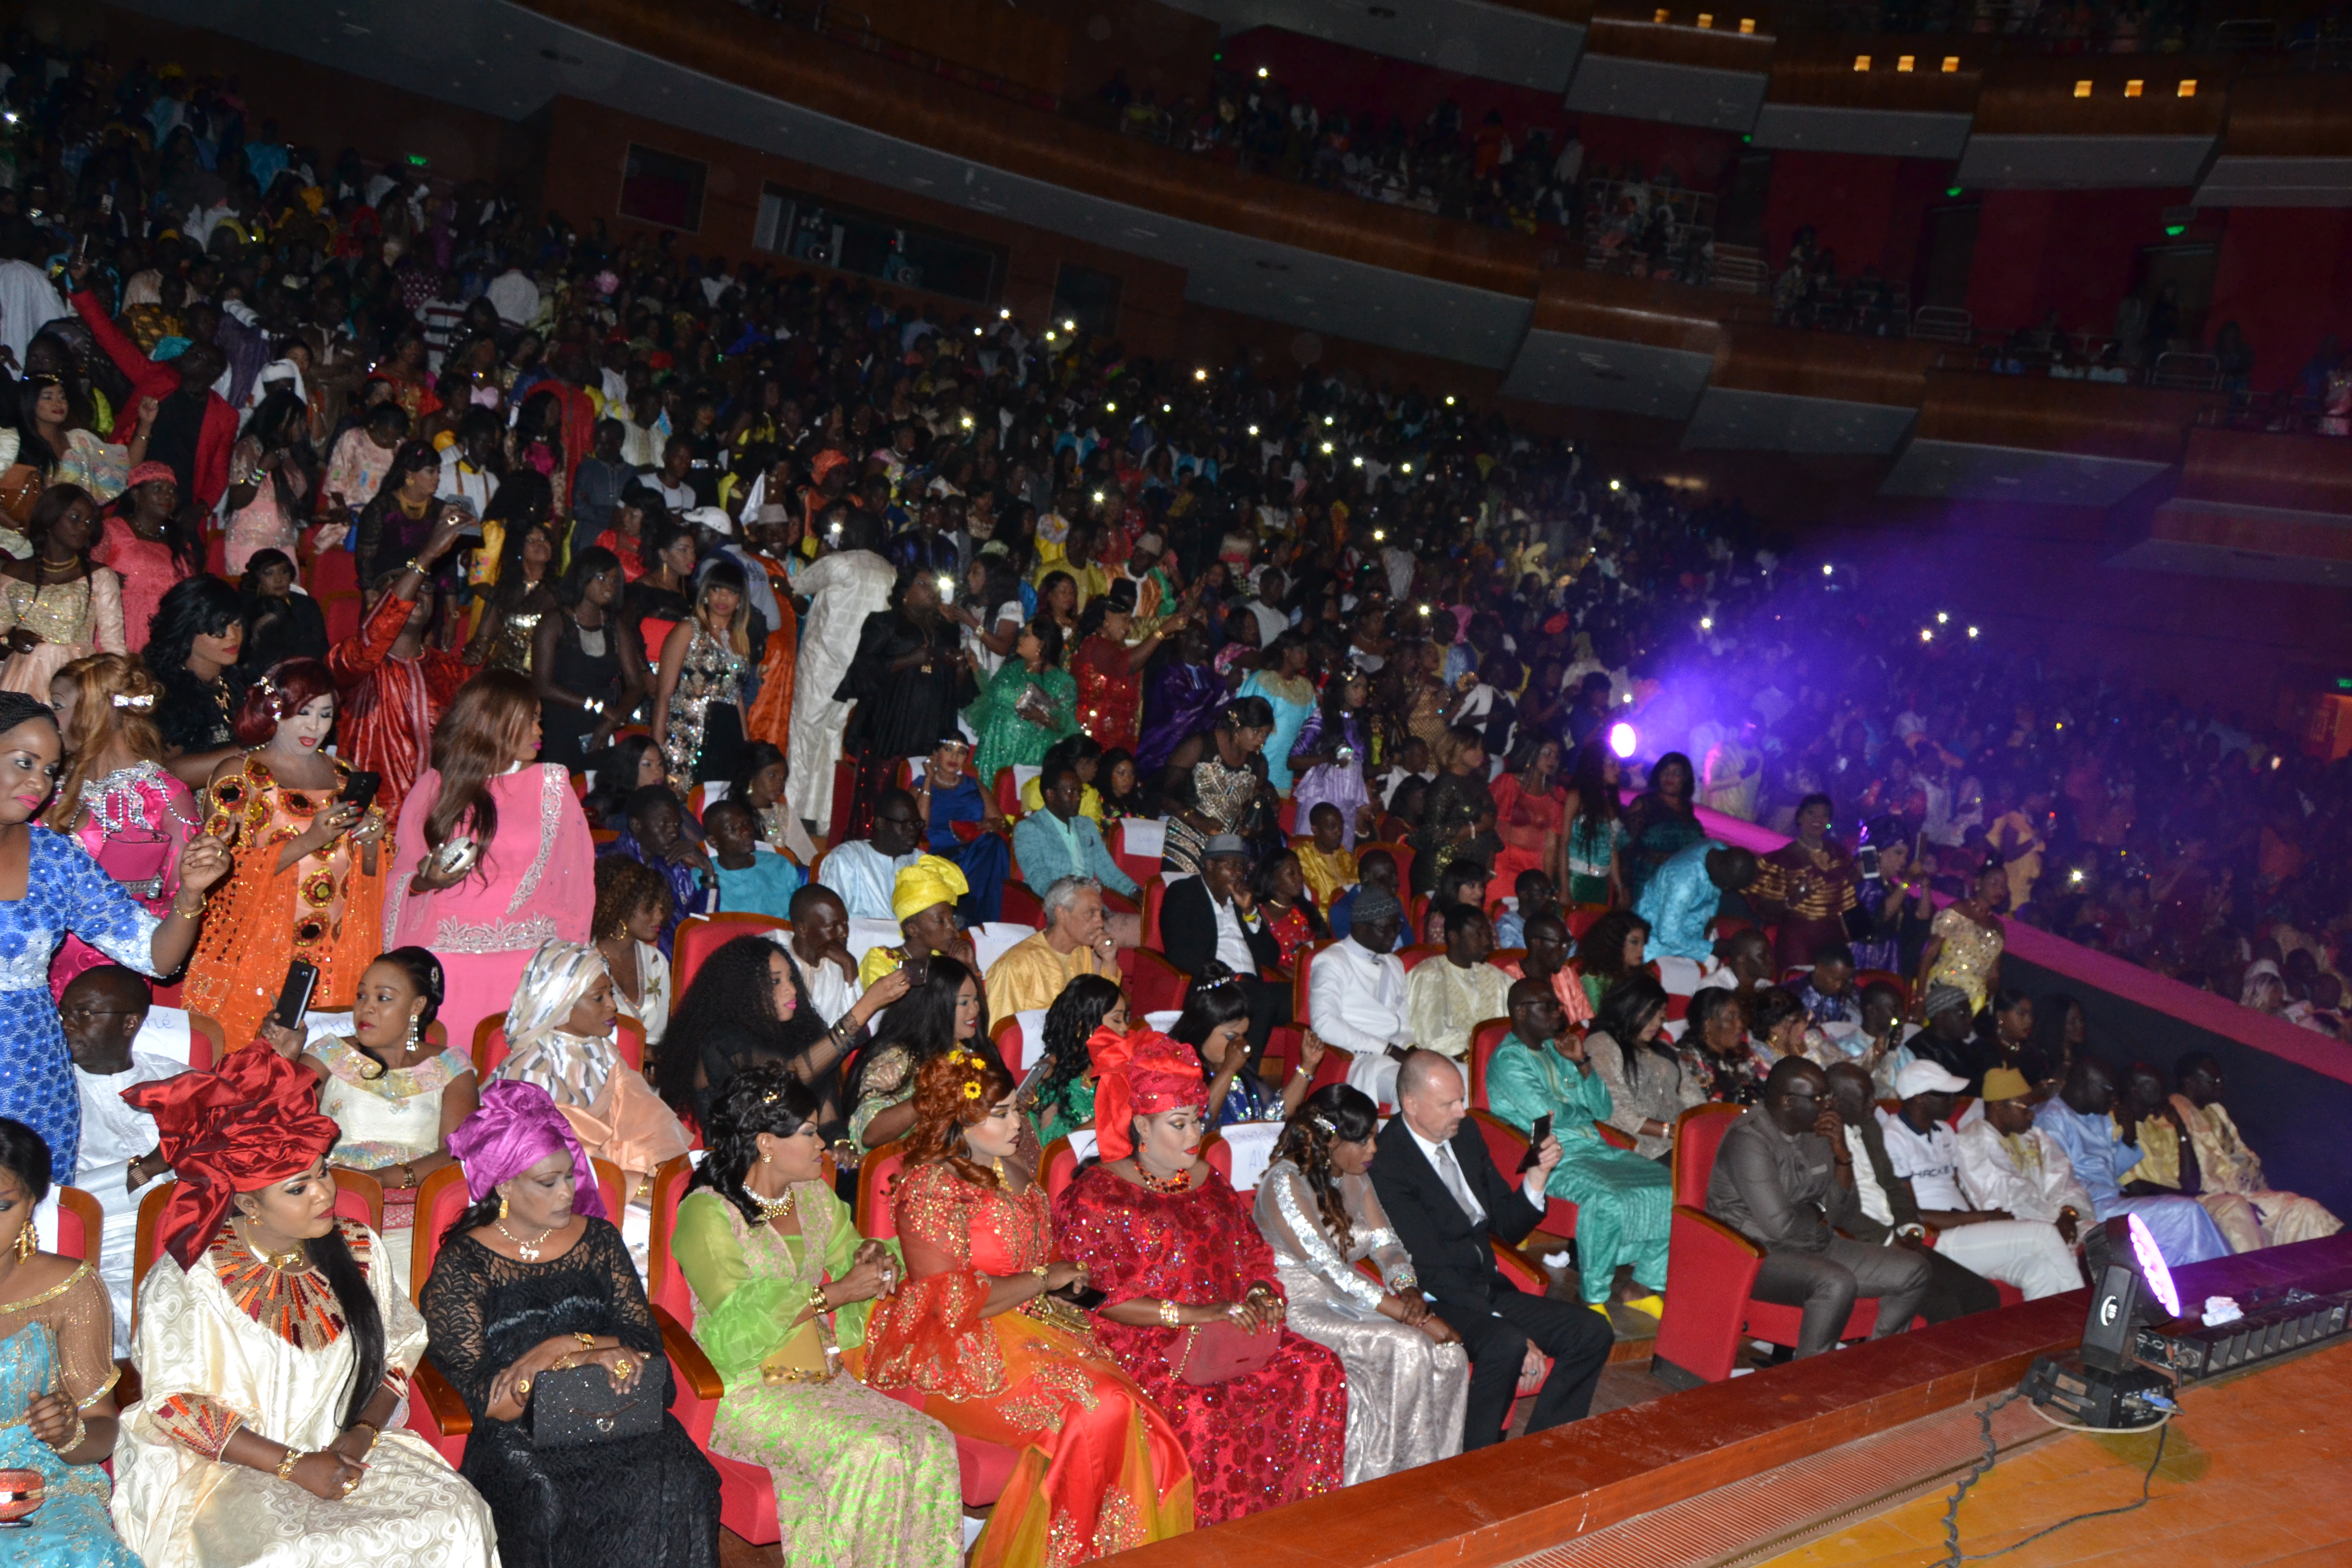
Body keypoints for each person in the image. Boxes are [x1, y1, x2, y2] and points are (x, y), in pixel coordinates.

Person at [117, 1045, 499, 1568]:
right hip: (230, 1466)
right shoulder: (190, 1278)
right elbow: (176, 1405)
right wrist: (296, 1467)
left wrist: (362, 1433)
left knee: (459, 1514)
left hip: (349, 1448)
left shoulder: (359, 1248)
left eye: (323, 1172)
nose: (324, 1195)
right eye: (299, 1188)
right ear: (248, 1204)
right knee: (290, 1553)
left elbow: (398, 1352)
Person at [862, 1049, 1196, 1564]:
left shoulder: (1011, 1167)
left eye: (1018, 1108)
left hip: (1032, 1327)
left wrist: (1069, 1283)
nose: (1019, 1123)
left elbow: (1041, 1262)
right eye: (1002, 1114)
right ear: (959, 1119)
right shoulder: (932, 1186)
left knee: (1139, 1420)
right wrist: (1042, 1279)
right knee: (1098, 1406)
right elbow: (944, 1300)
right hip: (955, 1344)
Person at [668, 1066, 962, 1568]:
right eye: (809, 1133)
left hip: (812, 1369)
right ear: (765, 1142)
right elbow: (737, 1324)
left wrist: (878, 1258)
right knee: (871, 1453)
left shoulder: (813, 1195)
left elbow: (853, 1255)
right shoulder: (708, 1213)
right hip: (743, 1386)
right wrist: (836, 1294)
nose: (824, 1145)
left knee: (930, 1442)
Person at [1051, 1029, 1349, 1524]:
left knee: (1319, 1369)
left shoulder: (1210, 1181)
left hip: (1224, 1329)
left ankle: (1292, 1527)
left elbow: (1253, 1253)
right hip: (1143, 1344)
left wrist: (1260, 1290)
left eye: (1196, 1121)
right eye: (1179, 1124)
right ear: (1141, 1126)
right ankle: (1208, 1544)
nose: (1194, 1137)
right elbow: (1082, 1294)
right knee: (1201, 1413)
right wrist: (1192, 1314)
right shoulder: (1098, 1194)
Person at [423, 1079, 720, 1566]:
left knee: (685, 1476)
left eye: (569, 1176)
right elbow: (480, 1399)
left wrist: (567, 1346)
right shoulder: (465, 1264)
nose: (568, 1192)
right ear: (504, 1185)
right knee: (549, 1496)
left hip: (615, 1410)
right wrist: (554, 1362)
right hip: (521, 1431)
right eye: (549, 1182)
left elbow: (644, 1340)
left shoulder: (599, 1240)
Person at [1370, 1049, 1613, 1449]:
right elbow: (1431, 1268)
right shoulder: (1389, 1161)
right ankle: (1477, 1458)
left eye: (1461, 1099)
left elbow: (1504, 1224)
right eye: (1448, 1103)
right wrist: (1507, 1324)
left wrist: (1536, 1178)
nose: (1461, 1111)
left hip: (1486, 1285)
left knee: (1592, 1332)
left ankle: (1544, 1447)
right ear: (1410, 1105)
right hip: (1433, 1298)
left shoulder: (1464, 1136)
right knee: (1506, 1343)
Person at [1252, 1084, 1466, 1483]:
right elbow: (1329, 1270)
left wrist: (1409, 1291)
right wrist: (1409, 1318)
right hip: (1299, 1309)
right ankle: (1381, 1480)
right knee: (1407, 1346)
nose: (1373, 1149)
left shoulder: (1352, 1175)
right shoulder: (1286, 1183)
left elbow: (1387, 1246)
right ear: (1331, 1139)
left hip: (1351, 1302)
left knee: (1450, 1353)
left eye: (1374, 1138)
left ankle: (1432, 1474)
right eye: (1363, 1139)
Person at [382, 669, 597, 1053]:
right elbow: (402, 879)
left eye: (538, 718)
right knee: (452, 1088)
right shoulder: (436, 787)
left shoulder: (553, 786)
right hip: (449, 965)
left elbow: (575, 886)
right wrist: (427, 881)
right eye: (529, 718)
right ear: (494, 723)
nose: (539, 728)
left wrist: (568, 968)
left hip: (526, 966)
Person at [1703, 1057, 1931, 1359]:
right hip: (1756, 1254)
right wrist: (1820, 1214)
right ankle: (1809, 1379)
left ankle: (1876, 1363)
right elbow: (1780, 1227)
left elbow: (1840, 1211)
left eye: (1829, 1096)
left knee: (1914, 1271)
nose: (1828, 1105)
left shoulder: (1817, 1131)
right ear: (1788, 1102)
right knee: (1835, 1282)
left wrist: (1842, 1157)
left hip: (1813, 1244)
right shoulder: (1749, 1140)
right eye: (1819, 1098)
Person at [276, 946, 477, 1286]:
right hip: (335, 1198)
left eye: (383, 998)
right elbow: (281, 1125)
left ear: (417, 1007)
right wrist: (283, 1060)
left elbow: (458, 1151)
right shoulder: (328, 1054)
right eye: (361, 995)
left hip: (419, 1207)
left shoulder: (451, 1066)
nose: (365, 1007)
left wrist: (388, 1178)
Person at [0, 1113, 139, 1564]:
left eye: (2, 1206)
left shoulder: (69, 1288)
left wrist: (68, 1432)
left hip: (39, 1484)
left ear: (31, 1205)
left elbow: (102, 1430)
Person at [1489, 979, 1672, 1317]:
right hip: (1552, 1158)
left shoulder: (1556, 1050)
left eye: (1558, 1005)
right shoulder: (1508, 1060)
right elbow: (1545, 1115)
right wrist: (1580, 1109)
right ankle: (1593, 1296)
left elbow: (1602, 1110)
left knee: (1672, 1187)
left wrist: (1582, 1061)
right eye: (1548, 1006)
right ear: (1521, 1012)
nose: (1560, 1012)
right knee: (1607, 1200)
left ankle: (1641, 1284)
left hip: (1596, 1148)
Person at [43, 652, 200, 996]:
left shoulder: (164, 795)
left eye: (58, 705)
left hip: (108, 979)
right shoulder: (45, 784)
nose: (50, 718)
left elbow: (181, 899)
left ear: (94, 712)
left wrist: (125, 896)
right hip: (35, 962)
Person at [491, 939, 692, 1201]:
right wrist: (637, 1185)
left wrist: (663, 1166)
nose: (612, 1005)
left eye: (610, 993)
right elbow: (543, 1162)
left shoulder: (604, 1053)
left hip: (611, 1178)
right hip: (555, 1197)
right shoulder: (531, 1069)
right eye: (599, 998)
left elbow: (642, 1119)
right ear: (561, 1004)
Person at [1868, 1060, 2081, 1300]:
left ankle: (2045, 1334)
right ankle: (2084, 1317)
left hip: (1965, 1231)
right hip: (1934, 1240)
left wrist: (1985, 1223)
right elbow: (1909, 1214)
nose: (1955, 1100)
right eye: (1946, 1095)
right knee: (2044, 1234)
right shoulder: (1894, 1138)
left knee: (2039, 1271)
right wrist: (1983, 1218)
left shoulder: (1944, 1132)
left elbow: (1959, 1189)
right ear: (1920, 1098)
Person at [658, 934, 905, 1140]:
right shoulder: (721, 1042)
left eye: (790, 978)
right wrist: (867, 1006)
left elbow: (828, 1119)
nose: (792, 989)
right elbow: (790, 1076)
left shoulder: (801, 1036)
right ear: (744, 989)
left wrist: (840, 1145)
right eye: (776, 981)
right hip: (740, 1172)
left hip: (799, 1167)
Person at [1819, 1063, 2003, 1326]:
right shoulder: (1819, 1139)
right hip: (1862, 1241)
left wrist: (1910, 1227)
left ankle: (1985, 1364)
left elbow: (1892, 1185)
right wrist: (1888, 1239)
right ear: (1835, 1101)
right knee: (1945, 1305)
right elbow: (1838, 1211)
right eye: (1866, 1098)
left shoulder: (1869, 1126)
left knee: (1982, 1294)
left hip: (1897, 1235)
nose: (1875, 1104)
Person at [325, 512, 475, 823]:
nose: (419, 591)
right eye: (405, 582)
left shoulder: (454, 672)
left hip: (437, 825)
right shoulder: (353, 662)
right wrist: (425, 558)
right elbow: (370, 644)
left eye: (427, 587)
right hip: (371, 828)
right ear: (378, 602)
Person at [61, 965, 182, 1343]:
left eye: (84, 1013)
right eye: (64, 1012)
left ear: (130, 1023)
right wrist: (146, 1169)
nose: (66, 1023)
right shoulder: (48, 1095)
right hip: (99, 1255)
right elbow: (51, 1195)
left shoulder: (180, 1080)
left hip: (191, 1236)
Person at [836, 570, 971, 839]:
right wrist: (908, 660)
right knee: (878, 801)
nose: (931, 590)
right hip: (889, 728)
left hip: (931, 729)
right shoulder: (884, 622)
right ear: (905, 593)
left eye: (934, 586)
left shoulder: (946, 629)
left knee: (918, 800)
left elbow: (960, 692)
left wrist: (960, 669)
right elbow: (863, 669)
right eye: (923, 584)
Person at [783, 512, 894, 838]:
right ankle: (826, 818)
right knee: (833, 738)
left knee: (804, 733)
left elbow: (800, 584)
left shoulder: (840, 564)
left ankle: (789, 813)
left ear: (850, 536)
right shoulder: (890, 572)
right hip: (856, 670)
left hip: (823, 664)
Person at [2168, 1051, 2340, 1251]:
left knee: (2307, 1209)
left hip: (2242, 1188)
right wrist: (2239, 1188)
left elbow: (2240, 1152)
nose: (2220, 1084)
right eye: (2213, 1080)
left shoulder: (2215, 1110)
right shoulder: (2177, 1111)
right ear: (2190, 1082)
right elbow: (2201, 1169)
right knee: (2303, 1210)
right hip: (2214, 1194)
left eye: (2221, 1078)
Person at [1160, 837, 1290, 1060]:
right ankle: (1245, 1077)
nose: (1239, 874)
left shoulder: (1244, 903)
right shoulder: (1184, 892)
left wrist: (1250, 913)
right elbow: (1178, 951)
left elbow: (1270, 957)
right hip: (1214, 986)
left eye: (1242, 867)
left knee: (1310, 998)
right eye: (1232, 866)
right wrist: (1227, 977)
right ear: (1211, 865)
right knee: (1263, 1000)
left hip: (1254, 987)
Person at [847, 957, 985, 1150]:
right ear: (935, 1006)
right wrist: (931, 1096)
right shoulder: (898, 1058)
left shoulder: (966, 1055)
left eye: (976, 999)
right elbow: (869, 1134)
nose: (975, 1009)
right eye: (964, 1003)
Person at [0, 485, 125, 697]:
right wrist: (12, 639)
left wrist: (111, 691)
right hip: (21, 680)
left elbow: (114, 647)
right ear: (50, 519)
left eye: (89, 522)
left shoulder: (100, 576)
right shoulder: (13, 573)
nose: (83, 528)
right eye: (75, 518)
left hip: (75, 682)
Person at [535, 546, 649, 772]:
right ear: (583, 577)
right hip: (559, 724)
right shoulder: (555, 622)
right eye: (602, 578)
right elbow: (542, 685)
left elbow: (636, 685)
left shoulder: (616, 628)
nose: (609, 587)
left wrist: (613, 718)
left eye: (615, 581)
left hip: (600, 727)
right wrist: (597, 706)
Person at [1956, 1066, 2096, 1243]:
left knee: (2099, 1236)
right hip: (2016, 1231)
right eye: (2025, 1108)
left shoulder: (2035, 1137)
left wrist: (2068, 1213)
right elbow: (2001, 1201)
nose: (2032, 1116)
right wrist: (2055, 1223)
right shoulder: (1972, 1142)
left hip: (2056, 1221)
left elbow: (2064, 1182)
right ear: (1999, 1107)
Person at [1175, 964, 1322, 1126]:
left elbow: (1276, 1117)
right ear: (1201, 1030)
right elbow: (1198, 1125)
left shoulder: (1242, 1072)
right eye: (1230, 1036)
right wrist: (1228, 1071)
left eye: (1243, 1035)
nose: (1241, 1044)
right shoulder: (1179, 1073)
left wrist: (1308, 1065)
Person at [653, 559, 751, 791]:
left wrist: (747, 746)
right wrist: (657, 749)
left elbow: (736, 698)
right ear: (706, 593)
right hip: (687, 732)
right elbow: (664, 694)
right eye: (716, 589)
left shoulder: (739, 640)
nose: (723, 598)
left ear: (740, 600)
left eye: (731, 592)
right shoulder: (688, 630)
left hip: (726, 736)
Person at [1312, 884, 1415, 1103]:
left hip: (1396, 1054)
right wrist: (1387, 1049)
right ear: (1360, 927)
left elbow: (1404, 1023)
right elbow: (1324, 1024)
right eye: (1386, 928)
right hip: (1360, 1058)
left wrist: (1411, 1049)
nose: (1394, 936)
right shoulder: (1332, 961)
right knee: (1416, 1088)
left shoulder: (1394, 962)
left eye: (1396, 927)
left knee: (1458, 1076)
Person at [143, 575, 248, 785]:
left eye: (238, 624)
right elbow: (166, 774)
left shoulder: (235, 684)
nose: (233, 636)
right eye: (219, 626)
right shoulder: (163, 692)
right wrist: (257, 752)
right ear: (187, 628)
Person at [984, 874, 1122, 1026]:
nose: (1100, 922)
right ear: (1061, 913)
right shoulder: (1015, 966)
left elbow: (1103, 1013)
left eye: (1100, 914)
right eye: (1091, 913)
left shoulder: (1082, 952)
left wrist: (1109, 960)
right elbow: (1002, 1033)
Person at [1162, 697, 1274, 876]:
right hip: (1188, 835)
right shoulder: (1199, 745)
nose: (1261, 740)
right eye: (1256, 732)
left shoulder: (1258, 764)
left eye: (1265, 734)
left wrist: (1254, 825)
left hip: (1226, 847)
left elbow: (1249, 810)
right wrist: (1197, 819)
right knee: (1186, 895)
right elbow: (1164, 794)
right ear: (1237, 724)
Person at [94, 462, 195, 655]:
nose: (167, 496)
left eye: (172, 491)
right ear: (136, 494)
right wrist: (106, 577)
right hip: (120, 631)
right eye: (158, 489)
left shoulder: (179, 540)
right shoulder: (113, 530)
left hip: (163, 635)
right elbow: (86, 574)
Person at [1752, 793, 1859, 972]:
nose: (1818, 819)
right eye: (1811, 813)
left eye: (1824, 815)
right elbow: (1764, 907)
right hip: (1799, 939)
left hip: (1834, 939)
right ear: (1799, 817)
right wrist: (1792, 899)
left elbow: (1848, 896)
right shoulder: (1783, 858)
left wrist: (1859, 875)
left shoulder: (1839, 854)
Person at [964, 616, 1075, 783]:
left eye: (1027, 635)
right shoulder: (1011, 669)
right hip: (994, 745)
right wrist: (976, 669)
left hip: (1030, 751)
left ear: (1042, 643)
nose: (1020, 639)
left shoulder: (1063, 682)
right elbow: (991, 695)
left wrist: (1042, 717)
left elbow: (1067, 725)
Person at [601, 787, 713, 952]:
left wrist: (708, 872)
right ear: (636, 825)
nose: (674, 832)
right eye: (664, 824)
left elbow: (699, 924)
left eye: (677, 825)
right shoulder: (605, 864)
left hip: (670, 964)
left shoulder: (674, 867)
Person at [1011, 762, 1139, 901]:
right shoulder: (1030, 828)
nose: (1078, 798)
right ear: (1051, 794)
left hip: (1091, 905)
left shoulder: (1086, 825)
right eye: (1071, 792)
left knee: (1144, 922)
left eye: (1080, 792)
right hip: (1059, 907)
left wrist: (1136, 892)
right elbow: (1039, 879)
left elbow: (1109, 872)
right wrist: (1074, 901)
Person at [1403, 903, 1513, 1062]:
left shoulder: (1496, 976)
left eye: (1488, 935)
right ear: (1454, 937)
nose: (1487, 942)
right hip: (1450, 1062)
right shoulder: (1429, 973)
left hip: (1498, 1059)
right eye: (1477, 935)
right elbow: (1431, 1034)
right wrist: (1472, 1056)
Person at [1031, 975, 1127, 1144]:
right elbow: (1052, 1149)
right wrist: (1111, 1119)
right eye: (1117, 1020)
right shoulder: (1051, 1073)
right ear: (1085, 1025)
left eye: (1125, 1019)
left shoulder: (1121, 1064)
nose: (1125, 1027)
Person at [860, 853, 979, 989]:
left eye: (952, 919)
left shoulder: (943, 963)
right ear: (913, 929)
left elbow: (974, 1009)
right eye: (940, 921)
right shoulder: (880, 961)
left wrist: (970, 968)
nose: (952, 928)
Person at [593, 856, 674, 1051]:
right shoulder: (585, 962)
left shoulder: (656, 962)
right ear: (621, 907)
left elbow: (658, 1036)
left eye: (661, 907)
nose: (660, 916)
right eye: (650, 908)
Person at [1287, 668, 1373, 847]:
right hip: (1322, 796)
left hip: (1347, 802)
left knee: (1340, 858)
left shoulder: (1361, 723)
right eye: (1356, 687)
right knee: (1313, 855)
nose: (1362, 693)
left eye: (1365, 688)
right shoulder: (1322, 717)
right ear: (1341, 688)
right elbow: (1293, 760)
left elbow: (1360, 767)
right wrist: (1327, 758)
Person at [1634, 841, 1759, 962]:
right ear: (1726, 887)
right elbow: (1668, 936)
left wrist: (1709, 923)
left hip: (1687, 936)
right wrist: (1710, 948)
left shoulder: (1716, 849)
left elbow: (1711, 898)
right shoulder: (1683, 884)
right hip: (1651, 944)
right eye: (1731, 889)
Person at [1916, 856, 2007, 1016]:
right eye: (1994, 883)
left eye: (2003, 886)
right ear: (1978, 884)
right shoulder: (1958, 910)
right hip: (1943, 989)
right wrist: (1920, 998)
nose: (1999, 890)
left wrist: (1989, 1003)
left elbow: (1993, 975)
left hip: (1974, 999)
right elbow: (1929, 954)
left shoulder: (1998, 927)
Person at [817, 787, 924, 921]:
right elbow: (829, 920)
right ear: (881, 823)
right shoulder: (846, 859)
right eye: (906, 824)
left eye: (917, 824)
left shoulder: (921, 862)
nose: (913, 830)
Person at [1621, 751, 1705, 903]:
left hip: (1678, 885)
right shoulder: (1644, 803)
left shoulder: (1687, 807)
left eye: (1676, 773)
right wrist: (1624, 889)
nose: (1669, 777)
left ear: (1685, 778)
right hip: (1648, 882)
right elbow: (1625, 849)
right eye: (1665, 771)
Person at [1553, 740, 1624, 906]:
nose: (1618, 769)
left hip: (1601, 884)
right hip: (1575, 879)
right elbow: (1563, 844)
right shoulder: (1576, 796)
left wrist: (1620, 887)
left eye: (1619, 764)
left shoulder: (1609, 802)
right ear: (1596, 764)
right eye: (1612, 763)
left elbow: (1611, 848)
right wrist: (1564, 888)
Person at [704, 798, 802, 918]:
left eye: (746, 823)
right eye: (733, 829)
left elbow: (801, 915)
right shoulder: (703, 874)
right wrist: (706, 871)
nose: (746, 831)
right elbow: (705, 917)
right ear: (713, 842)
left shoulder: (779, 865)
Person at [237, 549, 329, 672]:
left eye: (284, 572)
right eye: (269, 573)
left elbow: (320, 650)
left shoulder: (306, 605)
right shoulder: (243, 605)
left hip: (298, 671)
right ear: (256, 577)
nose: (279, 579)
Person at [1295, 801, 1359, 910]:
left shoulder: (1347, 858)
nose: (1339, 833)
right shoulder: (1301, 857)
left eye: (1341, 826)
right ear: (1315, 830)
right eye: (1332, 827)